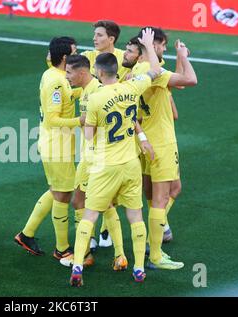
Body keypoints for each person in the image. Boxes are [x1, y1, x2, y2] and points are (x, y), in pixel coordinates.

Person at [69, 28, 158, 287]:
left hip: (105, 165)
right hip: (130, 163)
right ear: (115, 70)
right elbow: (155, 71)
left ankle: (76, 266)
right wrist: (149, 46)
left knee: (90, 215)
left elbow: (87, 135)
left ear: (98, 72)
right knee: (135, 217)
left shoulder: (96, 98)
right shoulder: (132, 87)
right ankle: (139, 268)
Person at [132, 27, 197, 269]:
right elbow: (190, 80)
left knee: (156, 193)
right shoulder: (154, 72)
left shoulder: (138, 73)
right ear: (152, 45)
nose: (164, 50)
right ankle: (155, 254)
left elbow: (175, 83)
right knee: (162, 198)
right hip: (161, 143)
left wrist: (179, 57)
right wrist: (185, 57)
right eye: (162, 46)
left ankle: (157, 236)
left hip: (144, 142)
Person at [14, 37, 85, 261]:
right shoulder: (55, 81)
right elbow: (53, 119)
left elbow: (67, 94)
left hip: (57, 144)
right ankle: (62, 248)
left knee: (58, 190)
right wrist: (79, 121)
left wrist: (85, 87)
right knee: (63, 195)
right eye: (74, 52)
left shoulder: (55, 75)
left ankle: (27, 234)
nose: (77, 54)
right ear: (65, 58)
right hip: (57, 145)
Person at [59, 54, 125, 269]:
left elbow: (94, 127)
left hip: (95, 158)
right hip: (95, 156)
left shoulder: (96, 91)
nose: (66, 75)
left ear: (82, 73)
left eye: (69, 72)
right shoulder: (88, 90)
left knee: (79, 202)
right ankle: (119, 254)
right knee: (104, 204)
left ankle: (85, 254)